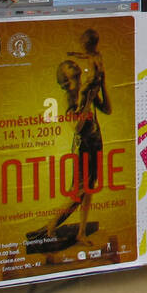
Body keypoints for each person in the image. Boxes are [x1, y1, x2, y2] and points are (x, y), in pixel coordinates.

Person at [30, 27, 110, 252]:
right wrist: (86, 101)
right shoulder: (70, 98)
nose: (78, 82)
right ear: (65, 83)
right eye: (73, 80)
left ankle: (82, 232)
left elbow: (107, 109)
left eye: (77, 77)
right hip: (83, 144)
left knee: (90, 189)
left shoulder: (85, 90)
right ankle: (51, 226)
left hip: (96, 139)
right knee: (78, 192)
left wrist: (101, 86)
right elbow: (76, 126)